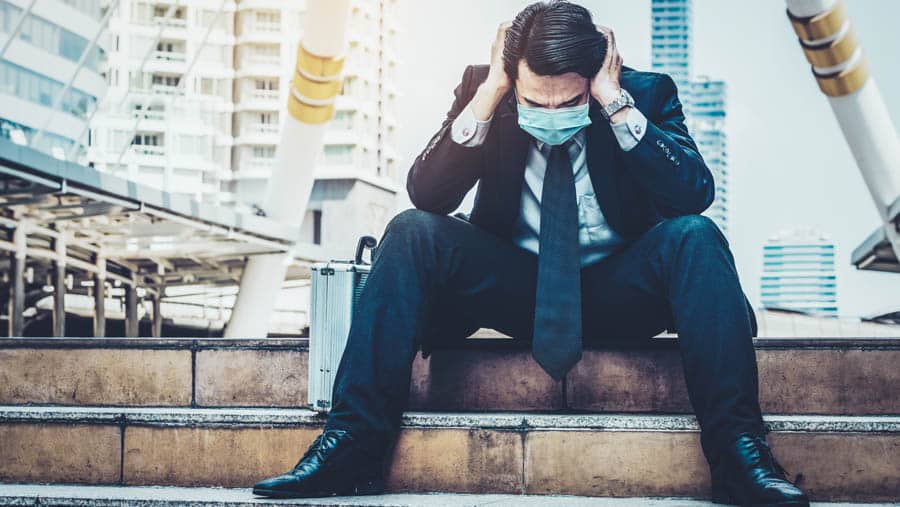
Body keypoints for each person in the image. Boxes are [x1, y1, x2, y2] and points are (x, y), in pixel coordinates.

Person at [252, 1, 808, 504]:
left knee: (695, 235)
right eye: (532, 100)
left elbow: (694, 195)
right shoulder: (485, 89)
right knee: (411, 229)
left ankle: (738, 454)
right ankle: (352, 445)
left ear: (596, 77)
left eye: (567, 101)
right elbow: (430, 193)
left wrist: (615, 106)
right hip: (514, 288)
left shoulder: (646, 92)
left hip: (621, 290)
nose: (549, 112)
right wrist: (492, 93)